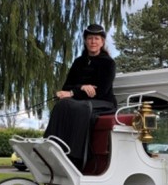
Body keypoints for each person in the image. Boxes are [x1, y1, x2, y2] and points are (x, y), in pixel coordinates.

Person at [44, 23, 117, 170]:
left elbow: (101, 91)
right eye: (90, 38)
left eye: (96, 38)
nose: (93, 42)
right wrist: (81, 87)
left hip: (104, 102)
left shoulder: (108, 63)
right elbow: (66, 88)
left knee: (81, 107)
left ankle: (75, 158)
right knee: (61, 105)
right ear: (85, 41)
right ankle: (50, 146)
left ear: (102, 42)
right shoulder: (78, 62)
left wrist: (73, 93)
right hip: (81, 101)